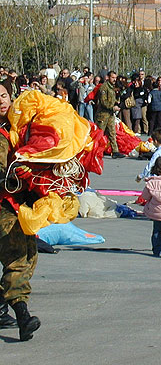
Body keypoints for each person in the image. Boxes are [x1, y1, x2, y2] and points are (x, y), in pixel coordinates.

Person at [0, 80, 41, 340]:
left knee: (30, 255)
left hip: (23, 204)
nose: (1, 101)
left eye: (3, 95)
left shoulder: (19, 127)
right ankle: (23, 317)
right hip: (4, 205)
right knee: (17, 259)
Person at [95, 71, 125, 158]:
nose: (114, 79)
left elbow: (111, 99)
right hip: (103, 115)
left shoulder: (112, 87)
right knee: (99, 134)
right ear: (108, 77)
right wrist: (113, 107)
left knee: (112, 133)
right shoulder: (104, 87)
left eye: (115, 78)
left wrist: (116, 102)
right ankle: (95, 151)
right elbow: (103, 101)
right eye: (113, 77)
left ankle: (115, 151)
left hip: (110, 114)